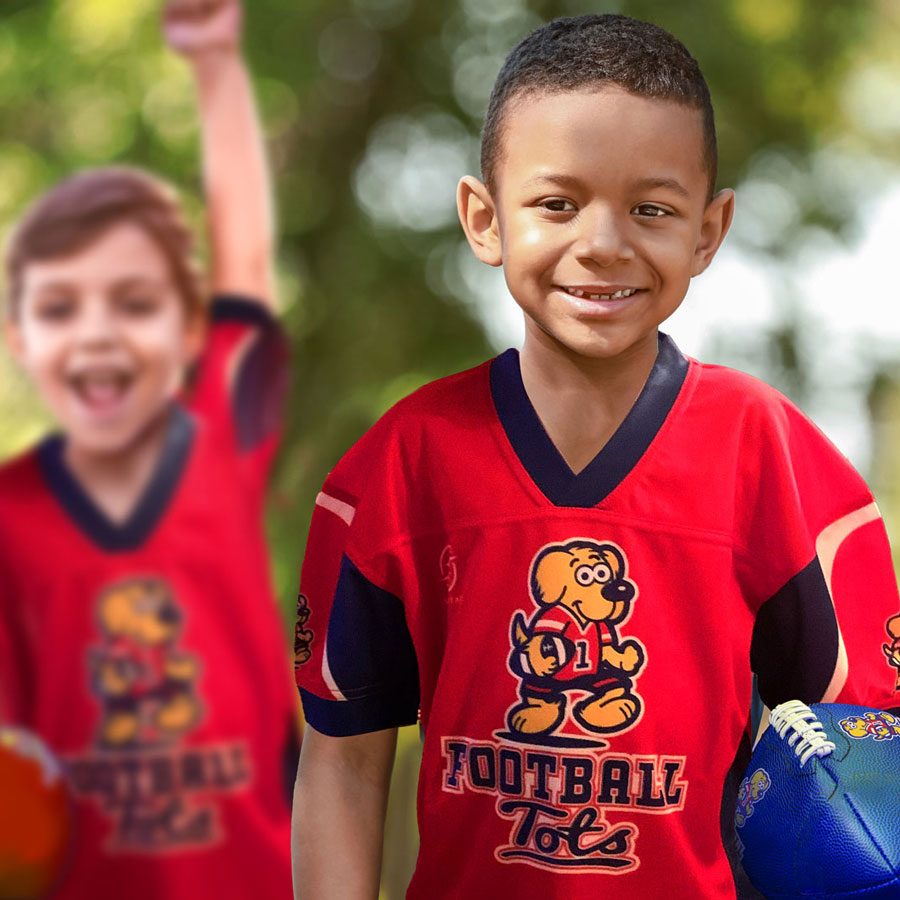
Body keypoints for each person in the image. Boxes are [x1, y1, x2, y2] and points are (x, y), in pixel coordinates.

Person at [291, 13, 900, 900]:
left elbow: (870, 771)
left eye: (651, 208)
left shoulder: (772, 458)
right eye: (557, 203)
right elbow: (342, 769)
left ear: (708, 229)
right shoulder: (400, 467)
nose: (604, 242)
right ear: (484, 219)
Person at [0, 0, 296, 897]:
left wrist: (214, 66)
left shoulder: (224, 441)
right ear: (17, 338)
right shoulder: (9, 514)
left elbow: (246, 259)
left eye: (133, 303)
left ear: (188, 331)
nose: (96, 336)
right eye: (59, 308)